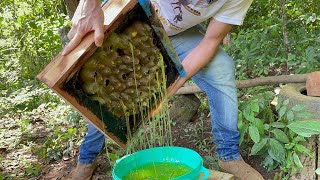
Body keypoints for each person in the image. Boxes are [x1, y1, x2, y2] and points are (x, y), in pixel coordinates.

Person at [62, 0, 264, 180]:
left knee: (222, 67)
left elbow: (210, 41)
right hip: (129, 14)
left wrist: (170, 88)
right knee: (101, 88)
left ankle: (229, 156)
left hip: (177, 34)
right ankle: (87, 158)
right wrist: (90, 5)